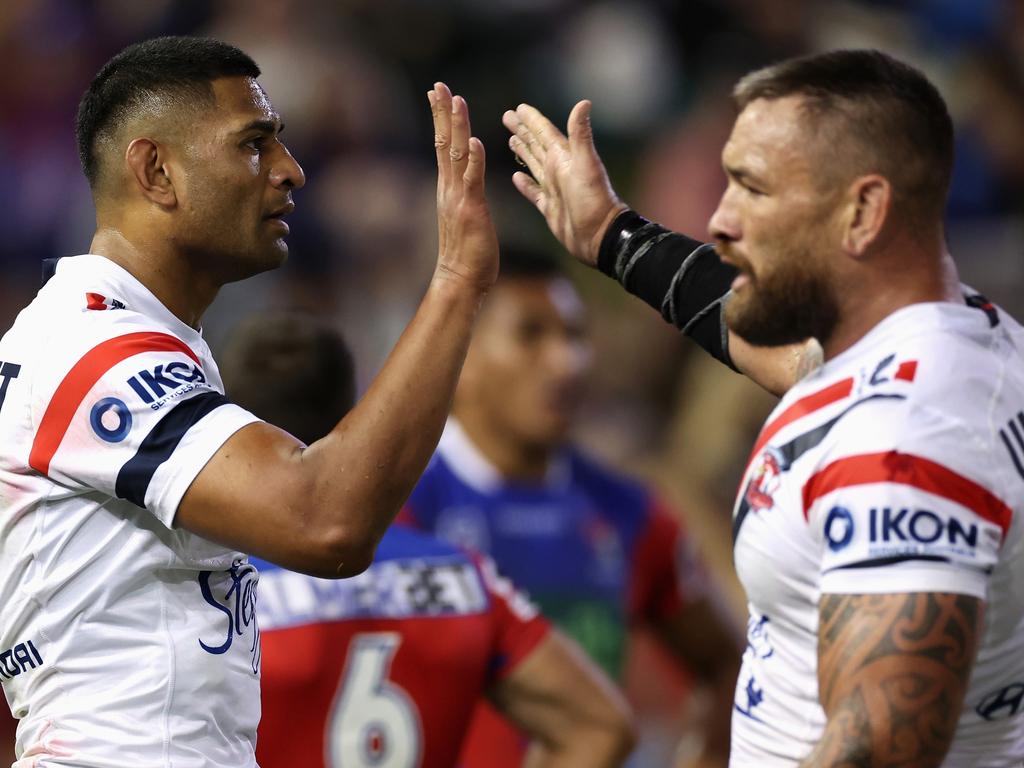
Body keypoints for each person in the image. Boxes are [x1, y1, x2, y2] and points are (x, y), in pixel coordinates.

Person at [502, 49, 1024, 766]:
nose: (720, 218)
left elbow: (882, 744)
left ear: (863, 211)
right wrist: (611, 235)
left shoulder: (905, 442)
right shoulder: (953, 340)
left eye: (752, 188)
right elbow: (786, 354)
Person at [0, 36, 498, 766]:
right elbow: (326, 520)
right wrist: (456, 281)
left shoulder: (114, 338)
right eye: (254, 144)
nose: (290, 172)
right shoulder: (92, 352)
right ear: (156, 171)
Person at [219, 311, 635, 768]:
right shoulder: (464, 578)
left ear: (232, 429)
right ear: (353, 423)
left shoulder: (219, 592)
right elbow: (600, 727)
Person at [401, 247, 743, 767]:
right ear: (459, 353)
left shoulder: (628, 512)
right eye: (532, 334)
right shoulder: (400, 509)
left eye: (575, 336)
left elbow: (727, 665)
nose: (566, 362)